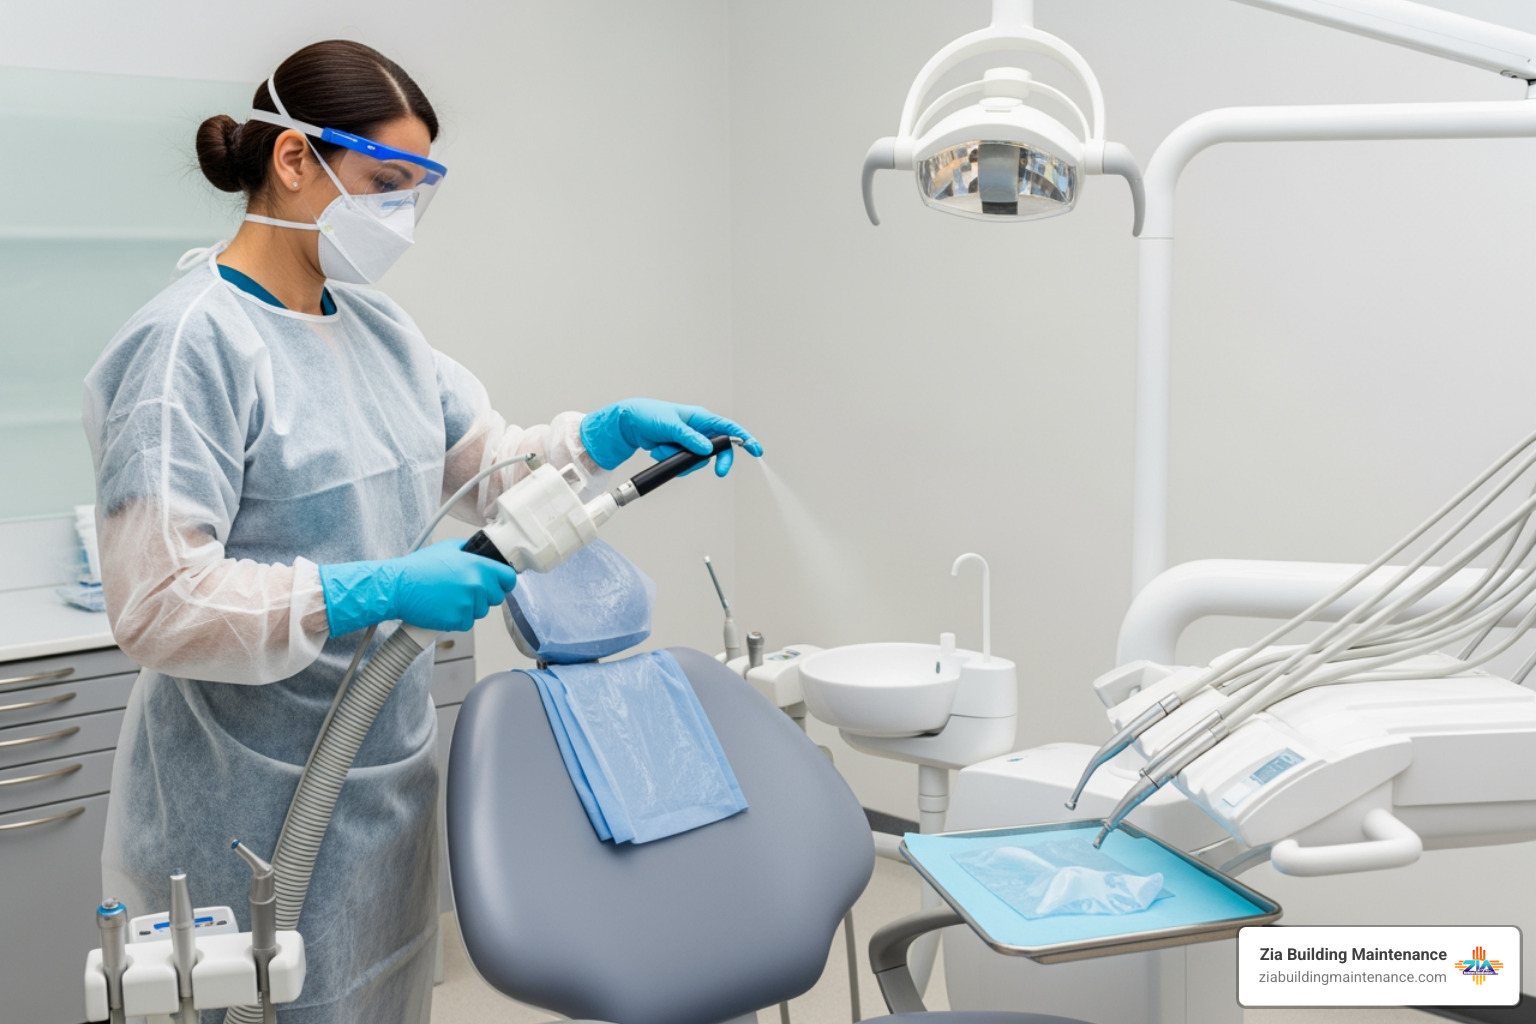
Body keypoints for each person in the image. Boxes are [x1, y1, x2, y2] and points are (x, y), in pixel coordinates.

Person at [83, 39, 760, 1024]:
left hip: (383, 790)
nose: (398, 215)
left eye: (414, 189)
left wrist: (601, 437)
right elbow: (158, 603)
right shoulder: (190, 345)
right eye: (381, 182)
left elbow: (491, 473)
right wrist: (377, 590)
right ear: (294, 160)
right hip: (237, 810)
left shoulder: (382, 333)